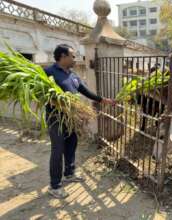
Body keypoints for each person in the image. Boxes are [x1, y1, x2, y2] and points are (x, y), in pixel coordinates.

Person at [45, 44, 115, 198]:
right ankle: (54, 186)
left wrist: (103, 100)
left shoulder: (73, 75)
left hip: (72, 118)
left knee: (71, 145)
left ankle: (69, 174)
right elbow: (39, 94)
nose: (75, 59)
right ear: (63, 56)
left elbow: (85, 91)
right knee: (57, 150)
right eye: (73, 55)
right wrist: (56, 102)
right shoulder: (47, 73)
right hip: (56, 119)